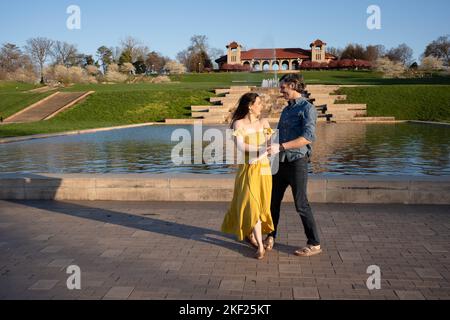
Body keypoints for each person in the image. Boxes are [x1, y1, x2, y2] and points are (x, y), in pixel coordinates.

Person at [265, 74, 322, 257]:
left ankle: (314, 243)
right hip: (279, 162)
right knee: (273, 202)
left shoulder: (307, 108)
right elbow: (279, 134)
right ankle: (270, 236)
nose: (281, 92)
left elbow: (307, 138)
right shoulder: (287, 109)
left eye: (283, 88)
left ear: (292, 85)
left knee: (301, 204)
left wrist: (280, 146)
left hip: (297, 161)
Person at [221, 93, 275, 260]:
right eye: (258, 103)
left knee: (261, 204)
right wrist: (257, 152)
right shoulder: (238, 123)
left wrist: (261, 153)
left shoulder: (264, 122)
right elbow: (240, 145)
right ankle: (260, 246)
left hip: (263, 168)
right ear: (250, 106)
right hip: (248, 168)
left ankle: (251, 235)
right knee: (252, 205)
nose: (261, 106)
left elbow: (269, 144)